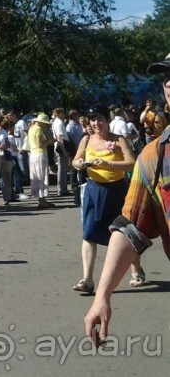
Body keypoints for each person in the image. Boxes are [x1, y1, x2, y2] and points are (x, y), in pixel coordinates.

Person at [84, 54, 170, 346]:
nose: (169, 83)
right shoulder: (154, 156)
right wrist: (102, 295)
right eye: (166, 77)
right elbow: (130, 226)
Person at [69, 104, 138, 294]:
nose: (96, 123)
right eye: (92, 120)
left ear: (107, 120)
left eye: (100, 119)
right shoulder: (86, 140)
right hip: (94, 189)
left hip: (116, 190)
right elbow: (75, 160)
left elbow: (132, 163)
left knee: (123, 233)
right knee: (89, 232)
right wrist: (79, 164)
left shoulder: (118, 140)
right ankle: (87, 279)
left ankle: (136, 269)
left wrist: (109, 163)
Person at [28, 113, 55, 209]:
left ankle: (41, 198)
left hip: (33, 154)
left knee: (37, 177)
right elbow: (40, 144)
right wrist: (49, 141)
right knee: (42, 176)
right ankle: (42, 200)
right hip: (39, 154)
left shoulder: (31, 128)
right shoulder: (38, 129)